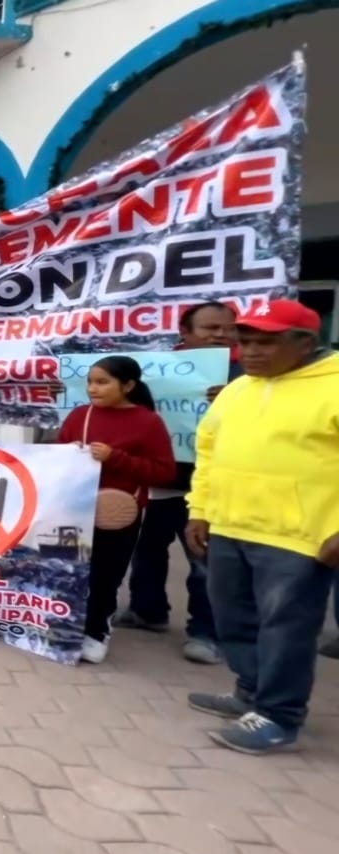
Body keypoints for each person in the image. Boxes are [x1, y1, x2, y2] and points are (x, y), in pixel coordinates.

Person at [184, 299, 339, 755]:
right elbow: (209, 451)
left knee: (286, 628)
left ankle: (279, 716)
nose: (249, 352)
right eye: (244, 341)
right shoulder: (238, 390)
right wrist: (200, 510)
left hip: (301, 536)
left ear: (305, 343)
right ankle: (249, 693)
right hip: (230, 525)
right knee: (234, 618)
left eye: (264, 343)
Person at [116, 300, 240, 665]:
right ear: (185, 333)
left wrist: (236, 399)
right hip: (157, 479)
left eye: (226, 328)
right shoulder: (152, 370)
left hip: (208, 484)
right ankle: (147, 612)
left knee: (203, 559)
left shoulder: (247, 375)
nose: (220, 336)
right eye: (211, 328)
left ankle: (206, 632)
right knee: (148, 550)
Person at [56, 356, 175, 664]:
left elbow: (163, 472)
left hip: (116, 516)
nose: (93, 388)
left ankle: (96, 630)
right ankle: (64, 626)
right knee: (69, 570)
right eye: (90, 382)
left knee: (104, 576)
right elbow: (56, 457)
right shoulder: (79, 415)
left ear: (128, 385)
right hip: (74, 509)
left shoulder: (148, 422)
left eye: (102, 382)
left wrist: (116, 458)